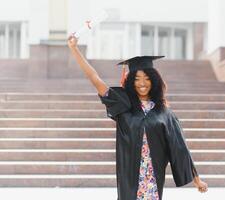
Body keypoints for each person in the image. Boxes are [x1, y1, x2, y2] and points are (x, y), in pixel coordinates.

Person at [67, 35, 208, 200]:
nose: (142, 83)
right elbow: (94, 78)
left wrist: (197, 180)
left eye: (147, 78)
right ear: (130, 81)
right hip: (130, 179)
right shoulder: (123, 104)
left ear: (154, 81)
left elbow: (180, 147)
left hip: (153, 181)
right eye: (137, 79)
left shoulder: (165, 113)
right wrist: (74, 49)